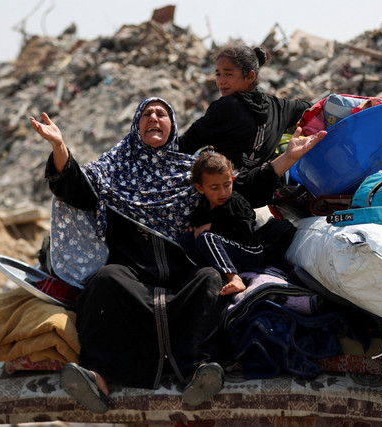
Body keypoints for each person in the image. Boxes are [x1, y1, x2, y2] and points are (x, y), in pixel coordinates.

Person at [29, 98, 230, 413]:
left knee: (209, 279)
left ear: (172, 125)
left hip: (180, 276)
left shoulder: (191, 172)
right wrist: (59, 147)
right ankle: (98, 377)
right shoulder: (113, 166)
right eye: (147, 113)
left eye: (161, 113)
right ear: (136, 124)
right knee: (104, 281)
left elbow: (227, 196)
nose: (154, 117)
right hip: (131, 276)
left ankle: (196, 371)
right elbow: (76, 188)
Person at [178, 44, 327, 207]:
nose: (221, 81)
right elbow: (319, 106)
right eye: (218, 74)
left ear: (250, 76)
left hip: (225, 195)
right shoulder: (279, 107)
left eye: (228, 74)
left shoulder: (226, 106)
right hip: (259, 195)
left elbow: (184, 146)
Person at [180, 147, 264, 296]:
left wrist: (213, 226)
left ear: (232, 179)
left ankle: (235, 279)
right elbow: (197, 227)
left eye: (227, 185)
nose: (223, 192)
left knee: (207, 238)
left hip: (250, 254)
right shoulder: (202, 207)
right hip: (224, 255)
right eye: (214, 188)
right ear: (200, 188)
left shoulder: (236, 202)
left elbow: (245, 229)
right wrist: (192, 230)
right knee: (187, 239)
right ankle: (205, 276)